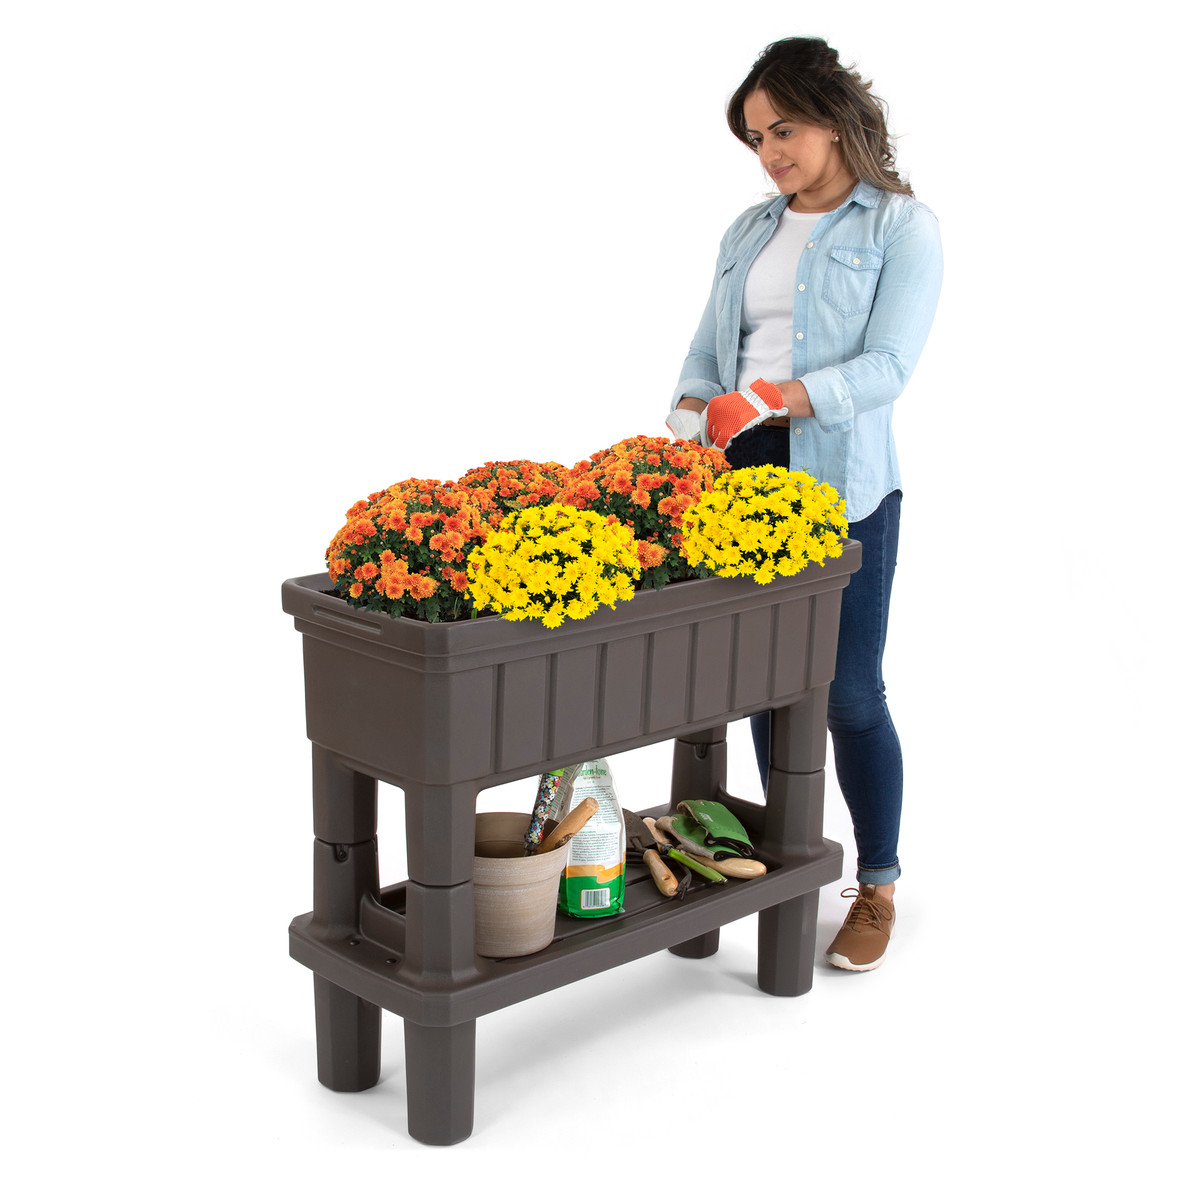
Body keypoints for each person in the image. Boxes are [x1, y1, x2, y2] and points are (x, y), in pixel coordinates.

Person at [666, 37, 942, 972]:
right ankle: (782, 864)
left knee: (850, 697)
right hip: (734, 479)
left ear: (832, 117)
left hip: (842, 484)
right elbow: (709, 352)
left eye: (783, 128)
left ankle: (878, 883)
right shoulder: (749, 230)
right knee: (756, 689)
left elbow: (888, 368)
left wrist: (776, 399)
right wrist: (690, 416)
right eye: (754, 138)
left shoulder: (900, 227)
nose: (770, 152)